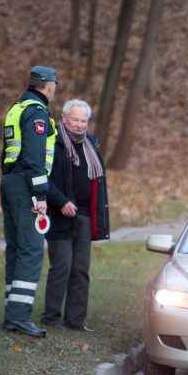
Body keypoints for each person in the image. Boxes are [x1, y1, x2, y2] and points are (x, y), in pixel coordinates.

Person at [41, 99, 110, 332]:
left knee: (81, 269)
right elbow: (43, 178)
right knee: (62, 266)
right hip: (60, 215)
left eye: (84, 120)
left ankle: (76, 320)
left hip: (84, 216)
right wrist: (60, 201)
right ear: (64, 119)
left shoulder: (91, 143)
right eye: (75, 119)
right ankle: (51, 317)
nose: (80, 125)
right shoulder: (54, 142)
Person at [0, 66, 59, 338]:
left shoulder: (17, 108)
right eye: (54, 84)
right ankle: (19, 316)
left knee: (15, 247)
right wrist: (41, 195)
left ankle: (13, 311)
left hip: (10, 181)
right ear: (48, 86)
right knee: (31, 249)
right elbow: (35, 158)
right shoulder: (37, 112)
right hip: (26, 185)